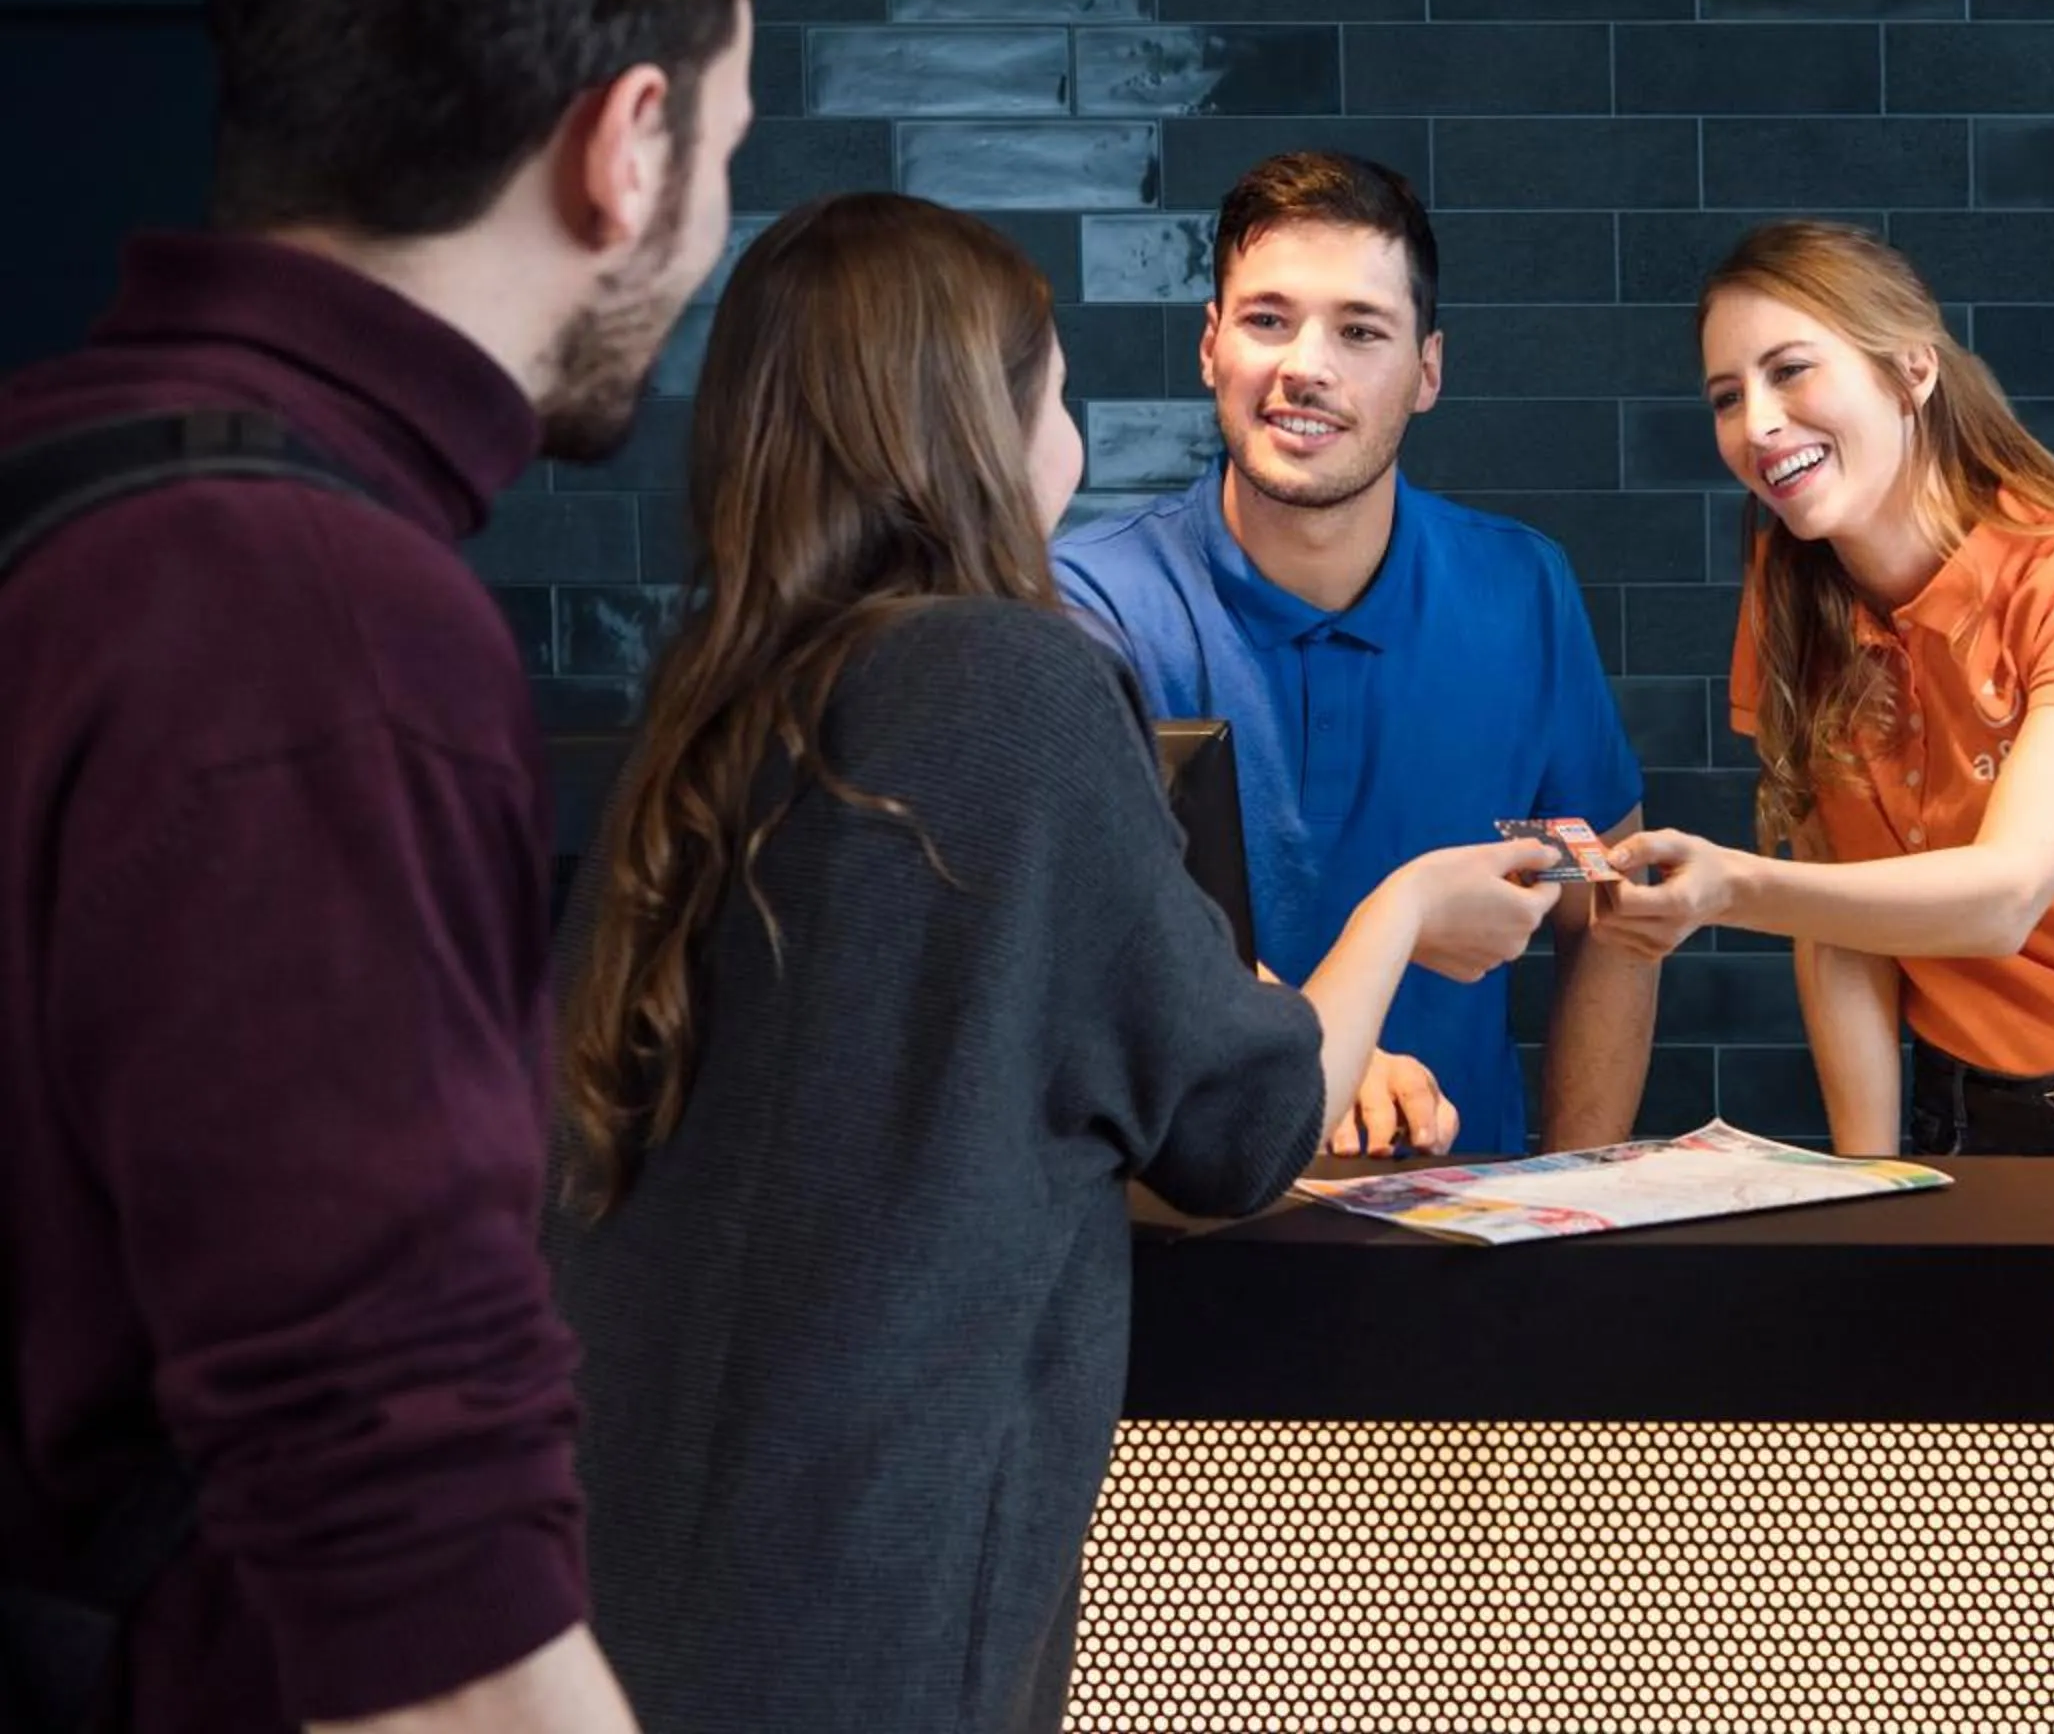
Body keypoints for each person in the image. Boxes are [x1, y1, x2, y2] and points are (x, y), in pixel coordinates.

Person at [545, 193, 1559, 1733]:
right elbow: (1233, 1125)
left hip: (624, 1549)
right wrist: (1405, 913)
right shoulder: (1010, 678)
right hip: (865, 1583)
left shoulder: (710, 703)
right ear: (977, 418)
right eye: (1059, 388)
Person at [0, 0, 772, 1727]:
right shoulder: (319, 628)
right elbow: (421, 1591)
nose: (707, 234)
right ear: (627, 145)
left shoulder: (58, 489)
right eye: (731, 156)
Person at [1595, 220, 2054, 1157]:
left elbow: (2005, 896)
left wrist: (1731, 890)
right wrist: (1868, 1176)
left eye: (1791, 370)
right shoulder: (1789, 597)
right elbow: (1839, 922)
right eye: (1728, 396)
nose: (1757, 424)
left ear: (1911, 372)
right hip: (1964, 1118)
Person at [1055, 151, 1657, 1155]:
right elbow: (1110, 925)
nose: (1306, 364)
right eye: (1267, 319)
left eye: (1360, 329)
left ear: (1427, 370)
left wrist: (1574, 1184)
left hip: (1470, 1229)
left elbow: (1607, 907)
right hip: (1177, 1232)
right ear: (1211, 346)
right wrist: (1313, 1048)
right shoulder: (1093, 605)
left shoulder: (1521, 596)